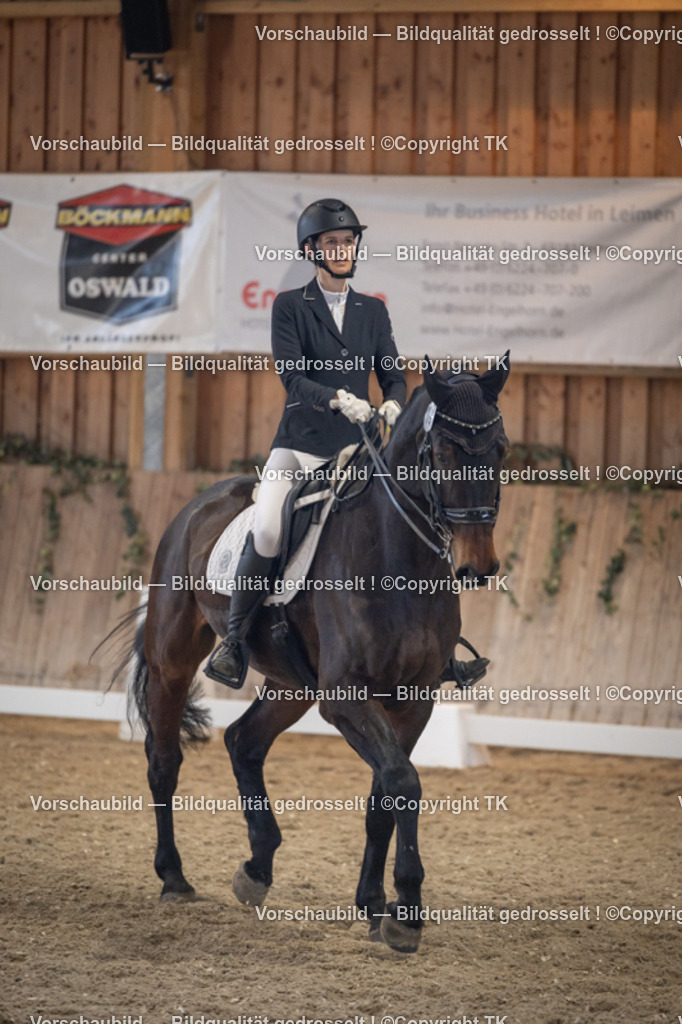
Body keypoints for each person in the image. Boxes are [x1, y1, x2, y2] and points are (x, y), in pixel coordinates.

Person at [205, 198, 486, 690]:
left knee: (414, 521)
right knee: (269, 527)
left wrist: (394, 403)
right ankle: (233, 641)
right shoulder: (291, 306)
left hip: (361, 451)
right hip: (299, 448)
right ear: (312, 250)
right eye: (333, 242)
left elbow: (392, 375)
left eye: (348, 240)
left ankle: (438, 648)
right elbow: (292, 377)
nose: (342, 248)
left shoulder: (372, 310)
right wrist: (337, 399)